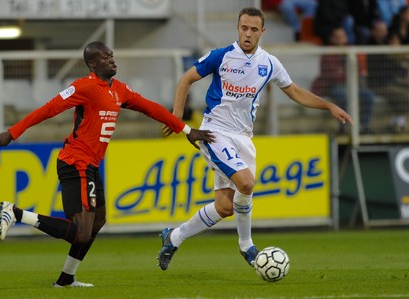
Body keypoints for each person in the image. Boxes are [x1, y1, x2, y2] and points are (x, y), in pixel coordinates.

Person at [0, 41, 215, 287]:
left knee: (98, 222)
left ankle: (65, 279)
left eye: (112, 55)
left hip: (91, 164)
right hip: (75, 162)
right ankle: (15, 213)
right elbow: (48, 109)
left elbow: (151, 108)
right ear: (92, 64)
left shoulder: (119, 90)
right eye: (105, 57)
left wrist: (187, 129)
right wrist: (13, 132)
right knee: (81, 231)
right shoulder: (84, 87)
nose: (112, 60)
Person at [158, 7, 352, 271]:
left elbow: (294, 91)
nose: (247, 34)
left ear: (262, 31)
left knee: (225, 207)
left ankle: (173, 237)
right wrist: (177, 118)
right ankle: (246, 245)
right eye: (243, 28)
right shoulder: (222, 56)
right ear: (237, 28)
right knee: (246, 183)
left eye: (253, 29)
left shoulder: (269, 63)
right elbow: (186, 79)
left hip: (243, 137)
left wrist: (328, 106)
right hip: (215, 132)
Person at [311, 27, 375, 134]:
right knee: (342, 95)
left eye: (342, 36)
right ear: (332, 39)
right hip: (331, 86)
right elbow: (332, 76)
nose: (341, 39)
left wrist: (344, 74)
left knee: (368, 95)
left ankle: (364, 126)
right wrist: (348, 74)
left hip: (351, 85)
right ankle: (344, 128)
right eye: (338, 37)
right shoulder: (328, 53)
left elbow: (358, 70)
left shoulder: (350, 51)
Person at [368, 30, 409, 133]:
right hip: (380, 85)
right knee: (405, 96)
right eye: (393, 41)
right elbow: (388, 76)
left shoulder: (400, 56)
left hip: (393, 84)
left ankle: (395, 123)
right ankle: (399, 123)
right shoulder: (381, 54)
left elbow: (402, 74)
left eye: (397, 41)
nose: (396, 44)